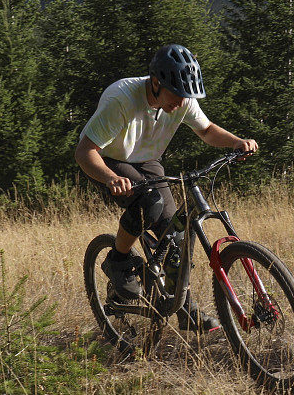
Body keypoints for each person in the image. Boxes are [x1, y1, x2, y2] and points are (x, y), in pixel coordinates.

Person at [75, 44, 258, 333]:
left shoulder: (182, 98)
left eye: (187, 96)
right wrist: (111, 178)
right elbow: (85, 151)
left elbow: (207, 130)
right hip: (109, 159)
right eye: (177, 95)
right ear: (157, 83)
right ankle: (118, 261)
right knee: (149, 203)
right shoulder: (122, 99)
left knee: (176, 235)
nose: (182, 102)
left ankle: (185, 309)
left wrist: (236, 141)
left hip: (148, 160)